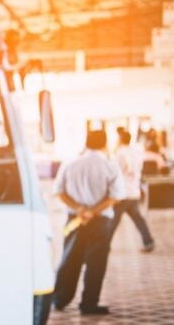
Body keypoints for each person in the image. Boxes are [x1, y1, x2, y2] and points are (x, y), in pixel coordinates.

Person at [53, 129, 126, 315]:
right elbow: (115, 196)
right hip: (100, 221)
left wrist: (79, 210)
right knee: (96, 262)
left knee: (70, 258)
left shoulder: (70, 163)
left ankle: (60, 299)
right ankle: (88, 303)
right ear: (104, 143)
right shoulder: (110, 165)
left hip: (75, 219)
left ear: (86, 142)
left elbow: (59, 191)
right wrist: (93, 211)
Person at [112, 130, 154, 252]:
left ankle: (103, 244)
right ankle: (148, 241)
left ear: (120, 139)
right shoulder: (136, 152)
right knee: (138, 219)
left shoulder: (120, 153)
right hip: (134, 191)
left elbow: (117, 173)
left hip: (122, 193)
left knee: (112, 221)